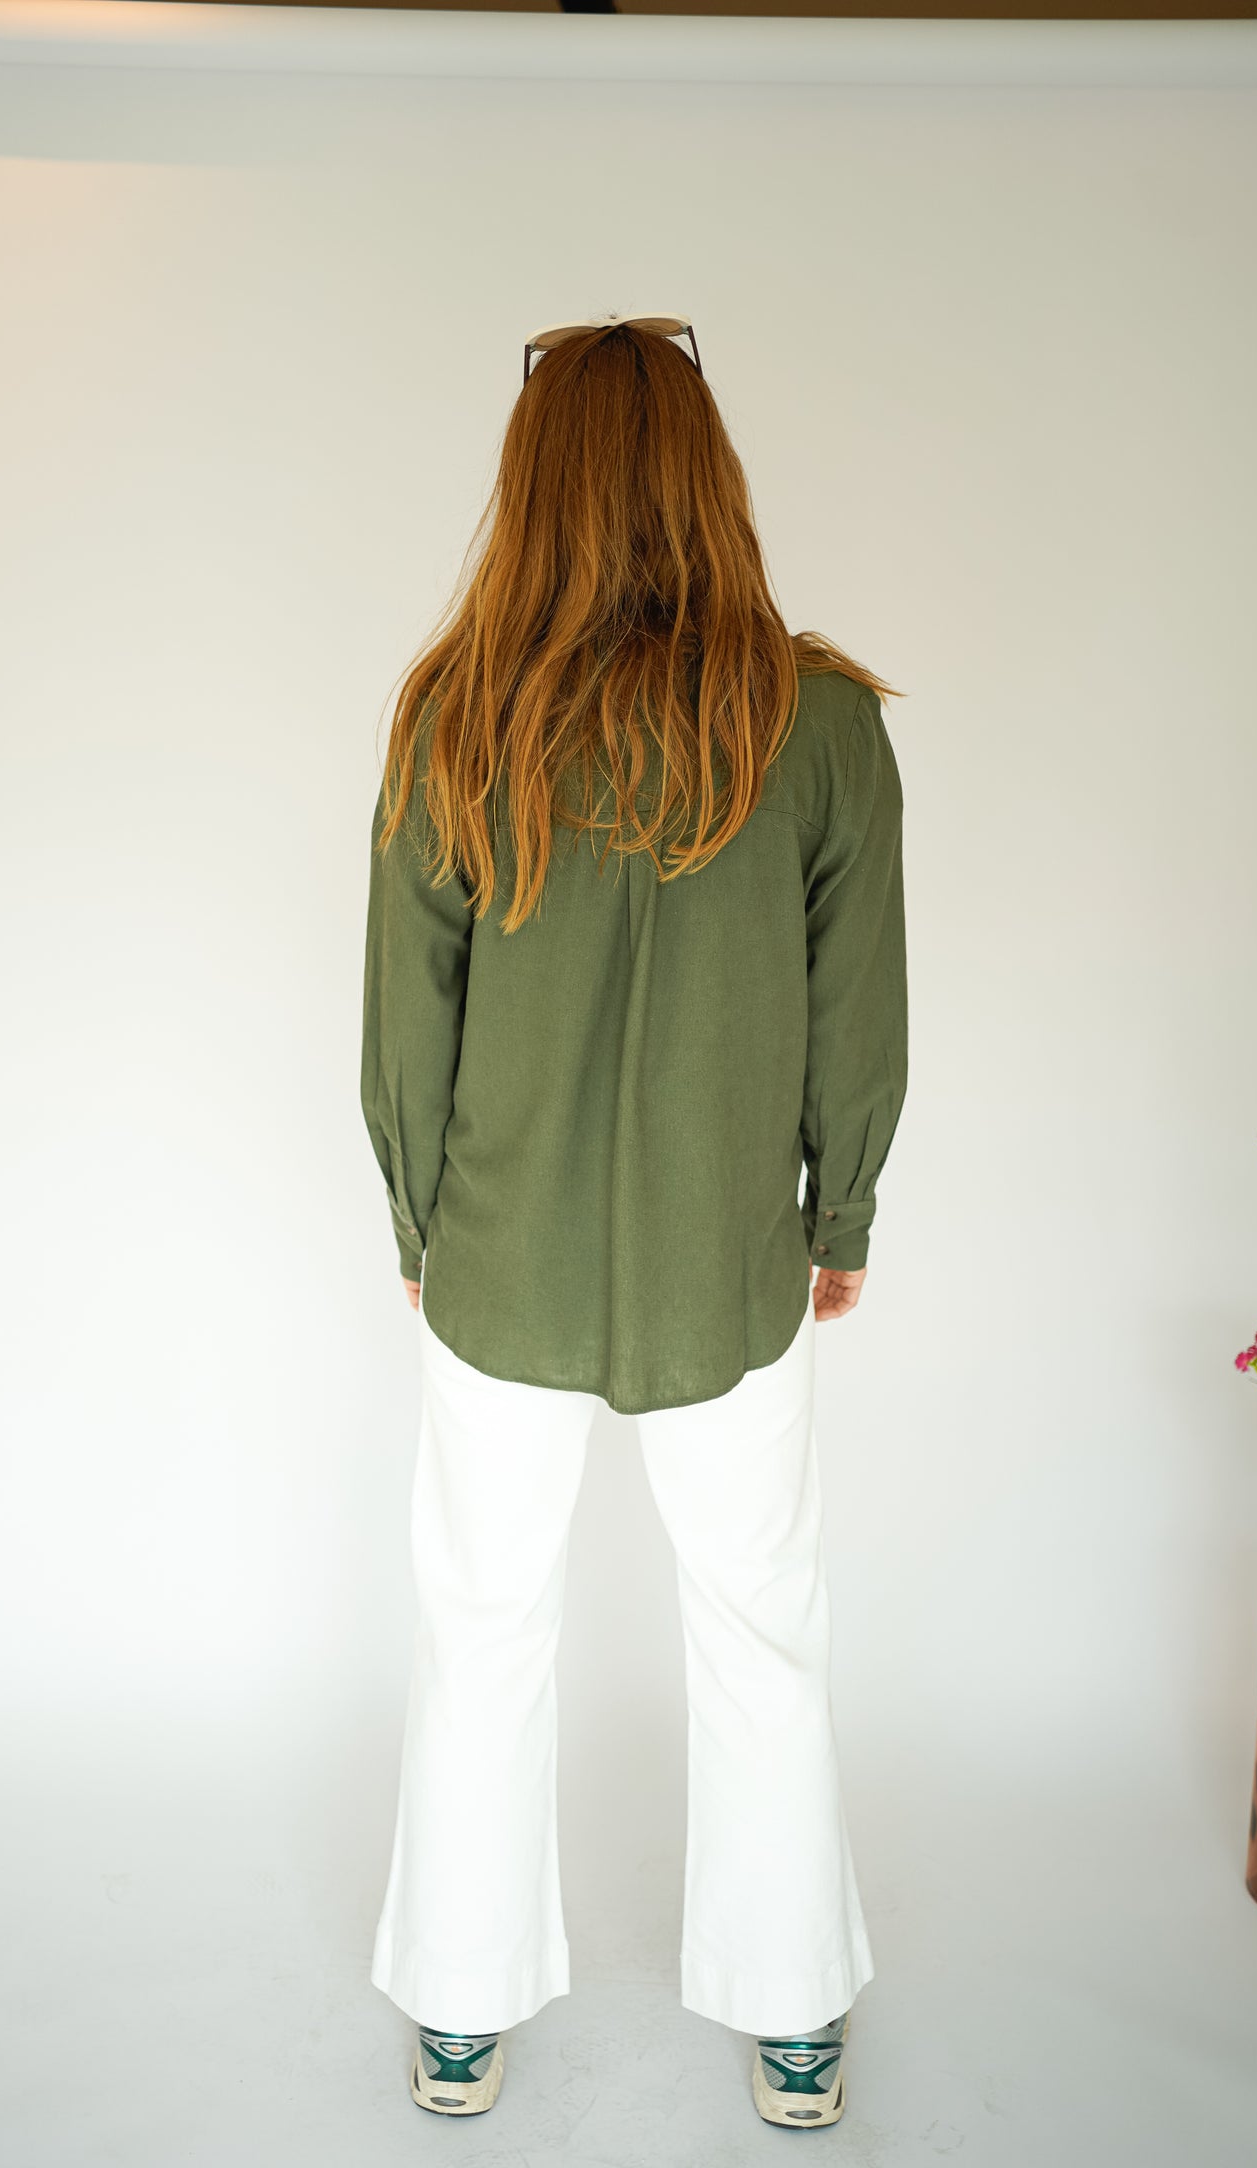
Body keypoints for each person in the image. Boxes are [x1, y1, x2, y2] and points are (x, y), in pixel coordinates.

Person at [359, 314, 909, 2129]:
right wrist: (841, 1207)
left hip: (497, 1256)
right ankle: (794, 2015)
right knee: (761, 1625)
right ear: (706, 473)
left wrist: (416, 1219)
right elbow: (858, 1005)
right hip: (728, 1259)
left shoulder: (458, 714)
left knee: (481, 1622)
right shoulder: (817, 723)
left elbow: (405, 1013)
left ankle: (458, 2013)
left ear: (534, 483)